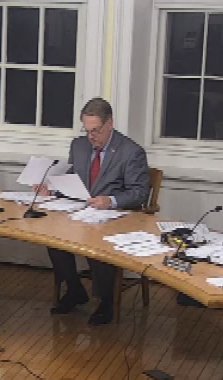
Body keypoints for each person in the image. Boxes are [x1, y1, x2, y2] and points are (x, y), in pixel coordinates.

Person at [37, 97, 149, 325]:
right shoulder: (78, 146)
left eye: (96, 130)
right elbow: (72, 180)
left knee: (98, 244)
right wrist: (52, 190)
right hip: (82, 211)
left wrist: (111, 201)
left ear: (110, 123)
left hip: (115, 216)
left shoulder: (131, 152)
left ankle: (106, 301)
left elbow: (139, 193)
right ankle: (75, 289)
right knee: (52, 237)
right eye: (87, 130)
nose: (91, 136)